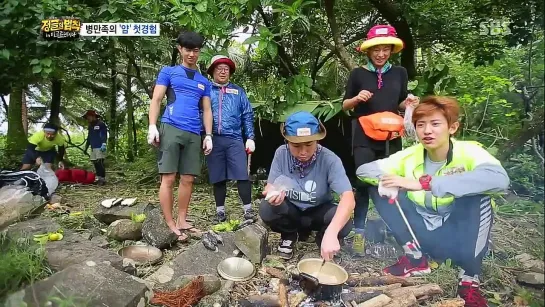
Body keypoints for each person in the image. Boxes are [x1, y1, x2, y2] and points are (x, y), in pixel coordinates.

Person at [356, 96, 510, 307]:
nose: (427, 131)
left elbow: (499, 179)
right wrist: (393, 182)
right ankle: (415, 258)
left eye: (435, 124)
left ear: (452, 127)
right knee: (379, 188)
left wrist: (426, 183)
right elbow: (365, 170)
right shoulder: (410, 155)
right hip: (422, 233)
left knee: (477, 197)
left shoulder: (469, 152)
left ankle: (469, 279)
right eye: (421, 125)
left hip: (459, 237)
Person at [342, 24, 420, 255]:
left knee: (392, 182)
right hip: (363, 135)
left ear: (391, 51)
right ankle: (359, 233)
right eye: (376, 49)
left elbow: (399, 102)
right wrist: (357, 98)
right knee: (364, 184)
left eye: (386, 49)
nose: (381, 54)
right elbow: (345, 106)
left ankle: (398, 231)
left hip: (391, 136)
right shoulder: (358, 74)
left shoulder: (399, 73)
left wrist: (408, 104)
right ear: (368, 51)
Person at [259, 111, 355, 260]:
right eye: (296, 145)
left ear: (317, 141)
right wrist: (273, 194)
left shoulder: (330, 160)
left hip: (318, 212)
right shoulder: (281, 154)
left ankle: (323, 239)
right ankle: (289, 235)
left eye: (309, 144)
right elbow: (269, 187)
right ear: (287, 141)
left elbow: (348, 198)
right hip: (292, 211)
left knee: (345, 223)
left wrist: (332, 232)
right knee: (266, 208)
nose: (303, 152)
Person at [147, 31, 213, 242]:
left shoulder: (204, 81)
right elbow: (157, 99)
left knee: (188, 178)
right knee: (168, 177)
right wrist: (152, 126)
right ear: (180, 50)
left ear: (199, 51)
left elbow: (208, 110)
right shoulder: (169, 72)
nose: (192, 54)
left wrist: (208, 135)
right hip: (171, 127)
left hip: (194, 132)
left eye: (195, 50)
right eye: (187, 50)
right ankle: (170, 223)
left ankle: (182, 219)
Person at [205, 55, 256, 222]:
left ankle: (248, 210)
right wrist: (205, 135)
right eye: (219, 68)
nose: (223, 71)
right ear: (212, 71)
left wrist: (250, 137)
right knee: (218, 176)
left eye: (226, 69)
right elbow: (200, 113)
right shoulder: (206, 90)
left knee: (242, 174)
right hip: (214, 139)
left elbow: (247, 115)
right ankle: (220, 211)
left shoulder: (238, 92)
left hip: (235, 139)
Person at [82, 110, 108, 185]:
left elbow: (104, 134)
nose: (88, 119)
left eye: (89, 117)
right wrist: (86, 147)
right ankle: (99, 178)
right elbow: (89, 137)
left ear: (93, 116)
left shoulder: (101, 124)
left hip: (100, 147)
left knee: (100, 163)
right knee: (95, 163)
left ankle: (103, 179)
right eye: (87, 118)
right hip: (93, 147)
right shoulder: (90, 126)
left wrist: (104, 144)